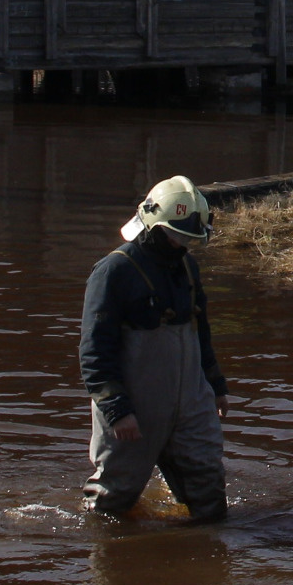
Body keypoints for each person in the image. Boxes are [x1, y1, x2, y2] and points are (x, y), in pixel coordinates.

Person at [78, 174, 229, 523]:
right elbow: (94, 347)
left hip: (191, 402)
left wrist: (216, 386)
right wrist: (117, 410)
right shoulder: (113, 271)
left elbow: (200, 332)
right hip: (134, 407)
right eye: (176, 235)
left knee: (210, 495)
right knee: (111, 503)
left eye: (189, 238)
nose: (181, 244)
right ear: (152, 225)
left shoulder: (188, 267)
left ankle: (203, 567)